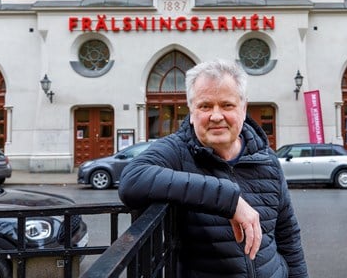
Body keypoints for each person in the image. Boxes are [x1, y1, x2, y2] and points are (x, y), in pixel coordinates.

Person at [118, 60, 308, 277]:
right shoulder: (177, 151)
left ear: (243, 108)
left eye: (227, 105)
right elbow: (132, 179)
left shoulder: (267, 159)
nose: (216, 116)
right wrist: (229, 200)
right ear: (191, 111)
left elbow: (288, 236)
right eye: (205, 106)